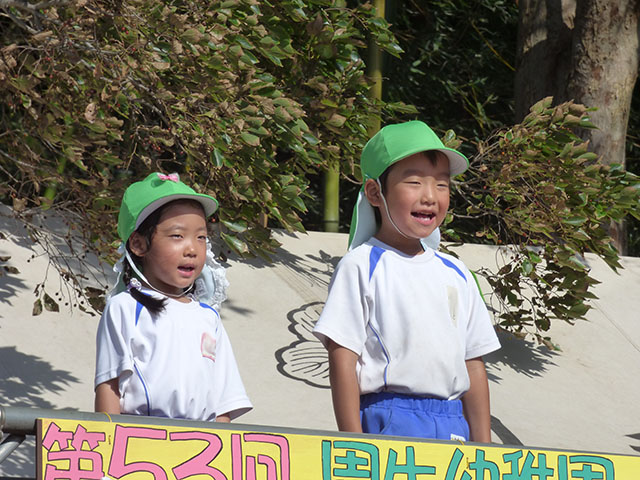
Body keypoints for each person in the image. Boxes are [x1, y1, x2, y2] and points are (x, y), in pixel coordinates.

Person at [313, 120, 500, 442]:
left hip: (453, 422)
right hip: (389, 419)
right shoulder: (360, 266)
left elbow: (473, 362)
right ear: (375, 193)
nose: (430, 196)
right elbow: (342, 355)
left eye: (442, 184)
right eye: (414, 182)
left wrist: (485, 450)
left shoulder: (457, 272)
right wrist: (353, 444)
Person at [94, 172, 252, 422]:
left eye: (201, 237)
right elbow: (109, 385)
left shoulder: (208, 318)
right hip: (139, 437)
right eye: (177, 235)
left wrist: (219, 442)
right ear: (138, 244)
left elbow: (224, 403)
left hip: (201, 440)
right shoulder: (124, 307)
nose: (192, 249)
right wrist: (108, 440)